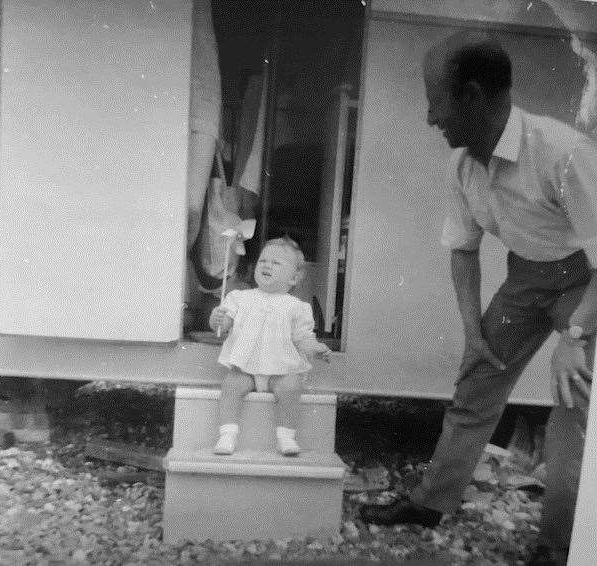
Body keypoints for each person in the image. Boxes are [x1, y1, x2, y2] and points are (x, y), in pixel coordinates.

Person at [359, 31, 597, 566]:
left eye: (434, 100)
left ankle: (559, 544)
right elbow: (464, 252)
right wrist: (474, 332)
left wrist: (575, 336)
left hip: (586, 282)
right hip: (527, 278)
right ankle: (430, 503)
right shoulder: (465, 163)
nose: (429, 118)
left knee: (574, 402)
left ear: (471, 95)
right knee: (476, 382)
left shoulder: (565, 155)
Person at [209, 236, 332, 456]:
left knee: (292, 387)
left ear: (294, 277)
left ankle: (286, 436)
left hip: (280, 372)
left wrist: (316, 348)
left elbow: (302, 337)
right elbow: (224, 325)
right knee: (230, 385)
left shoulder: (296, 307)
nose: (267, 265)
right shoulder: (240, 297)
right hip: (244, 370)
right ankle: (227, 434)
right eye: (263, 260)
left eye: (276, 263)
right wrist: (218, 320)